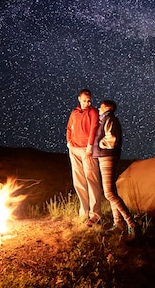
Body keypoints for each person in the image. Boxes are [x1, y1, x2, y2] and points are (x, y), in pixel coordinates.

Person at [92, 100, 138, 241]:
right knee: (111, 191)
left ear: (107, 107)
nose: (99, 108)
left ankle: (131, 223)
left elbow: (111, 139)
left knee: (109, 193)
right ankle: (118, 224)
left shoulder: (110, 119)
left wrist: (99, 144)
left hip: (108, 156)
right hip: (105, 156)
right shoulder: (106, 119)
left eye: (101, 106)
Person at [66, 89, 102, 226]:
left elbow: (94, 128)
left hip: (87, 150)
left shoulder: (93, 112)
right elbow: (69, 128)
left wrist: (90, 147)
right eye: (85, 100)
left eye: (89, 100)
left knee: (92, 180)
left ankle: (95, 215)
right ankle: (83, 212)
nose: (87, 103)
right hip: (74, 149)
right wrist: (69, 142)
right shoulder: (74, 113)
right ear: (79, 99)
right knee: (78, 181)